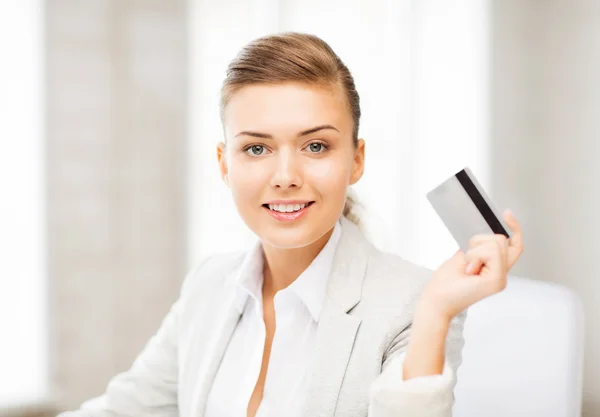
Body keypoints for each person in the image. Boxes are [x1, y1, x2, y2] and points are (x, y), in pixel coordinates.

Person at [58, 32, 524, 417]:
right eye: (256, 149)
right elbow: (124, 409)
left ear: (356, 160)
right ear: (225, 164)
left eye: (316, 146)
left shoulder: (414, 305)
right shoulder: (209, 286)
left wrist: (436, 311)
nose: (285, 178)